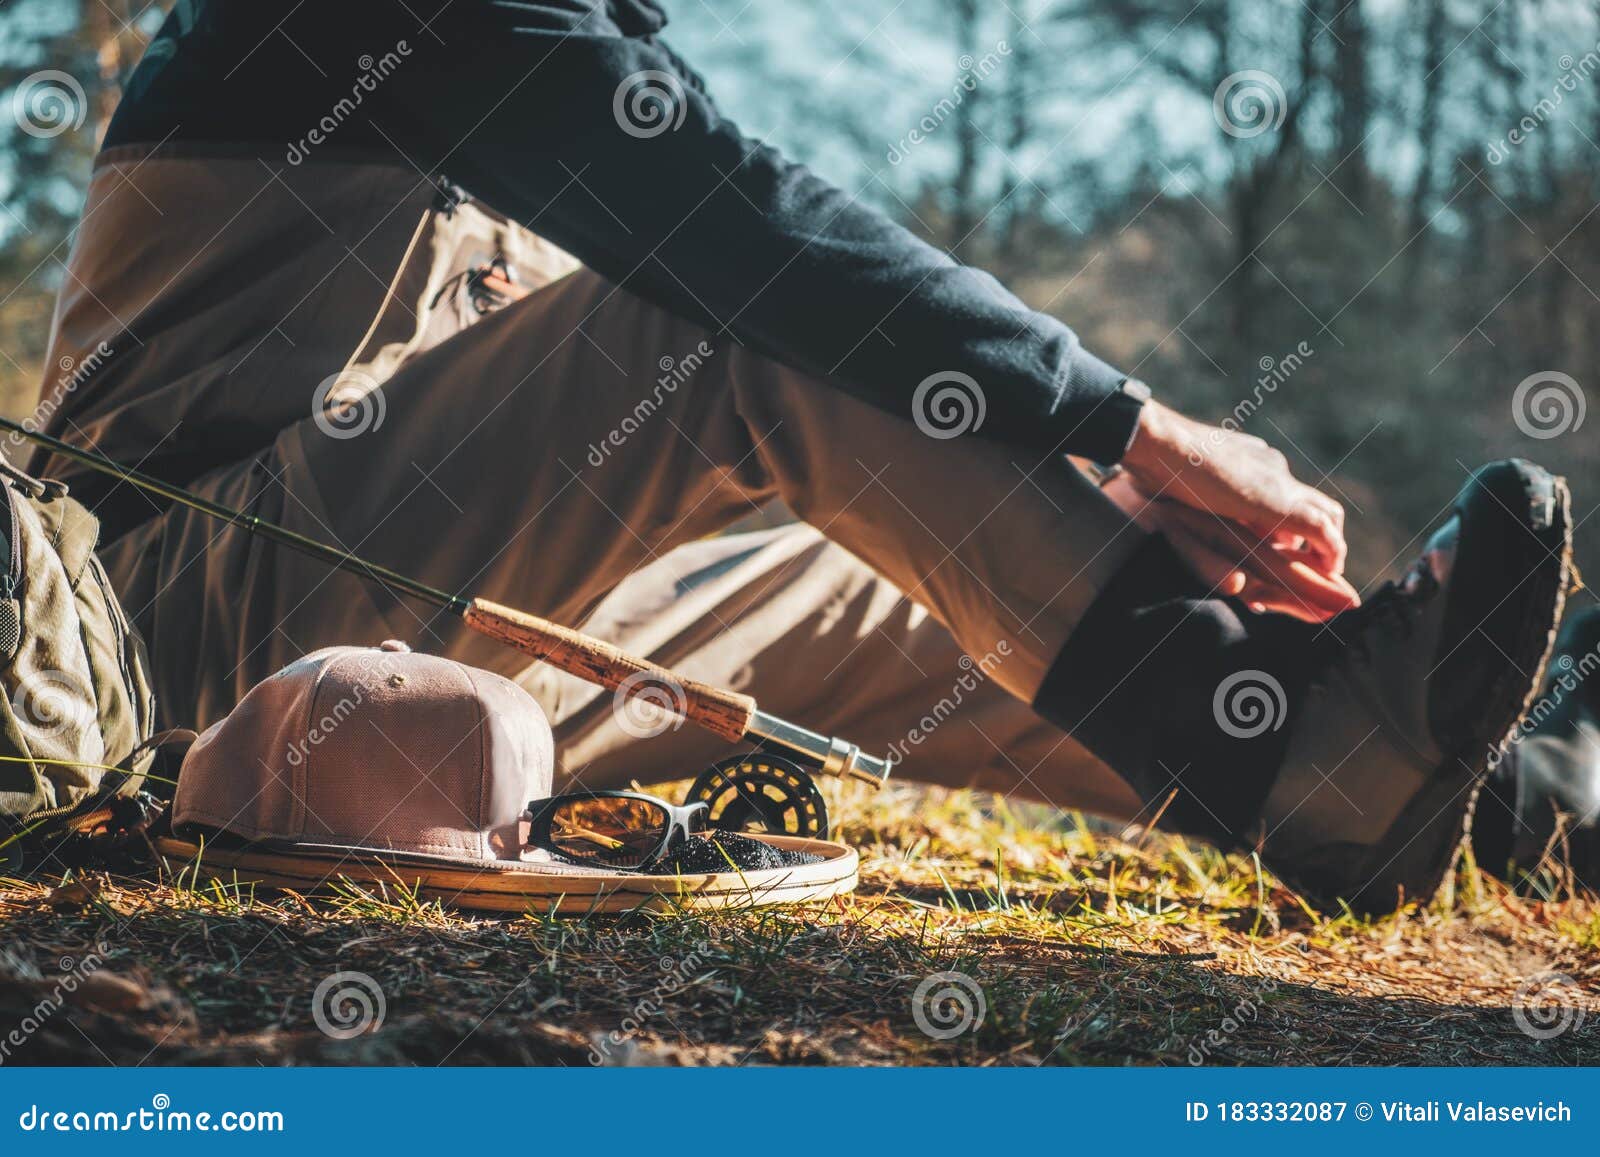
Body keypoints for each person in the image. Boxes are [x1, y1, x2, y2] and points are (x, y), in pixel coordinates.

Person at [28, 0, 1581, 913]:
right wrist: (1132, 421)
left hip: (402, 635)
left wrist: (1067, 506)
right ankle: (1287, 758)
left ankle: (1501, 800)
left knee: (914, 593)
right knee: (719, 329)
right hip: (177, 648)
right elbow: (738, 244)